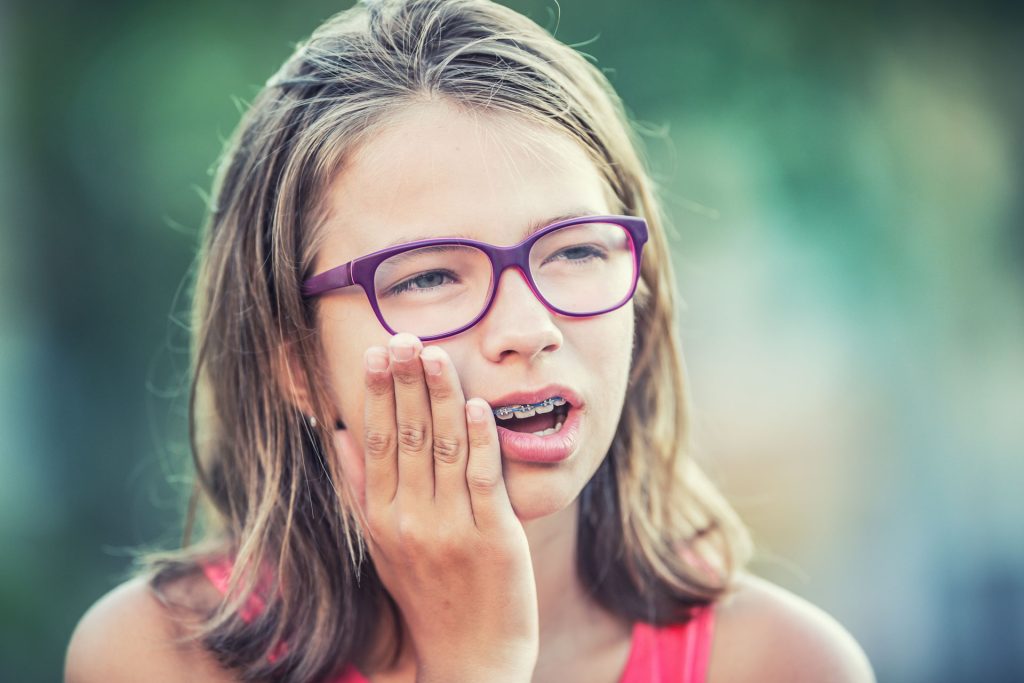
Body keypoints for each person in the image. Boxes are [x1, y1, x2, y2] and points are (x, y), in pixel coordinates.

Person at [65, 0, 875, 681]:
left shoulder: (785, 662)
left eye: (576, 251)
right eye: (427, 277)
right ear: (298, 363)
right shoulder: (158, 655)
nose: (528, 329)